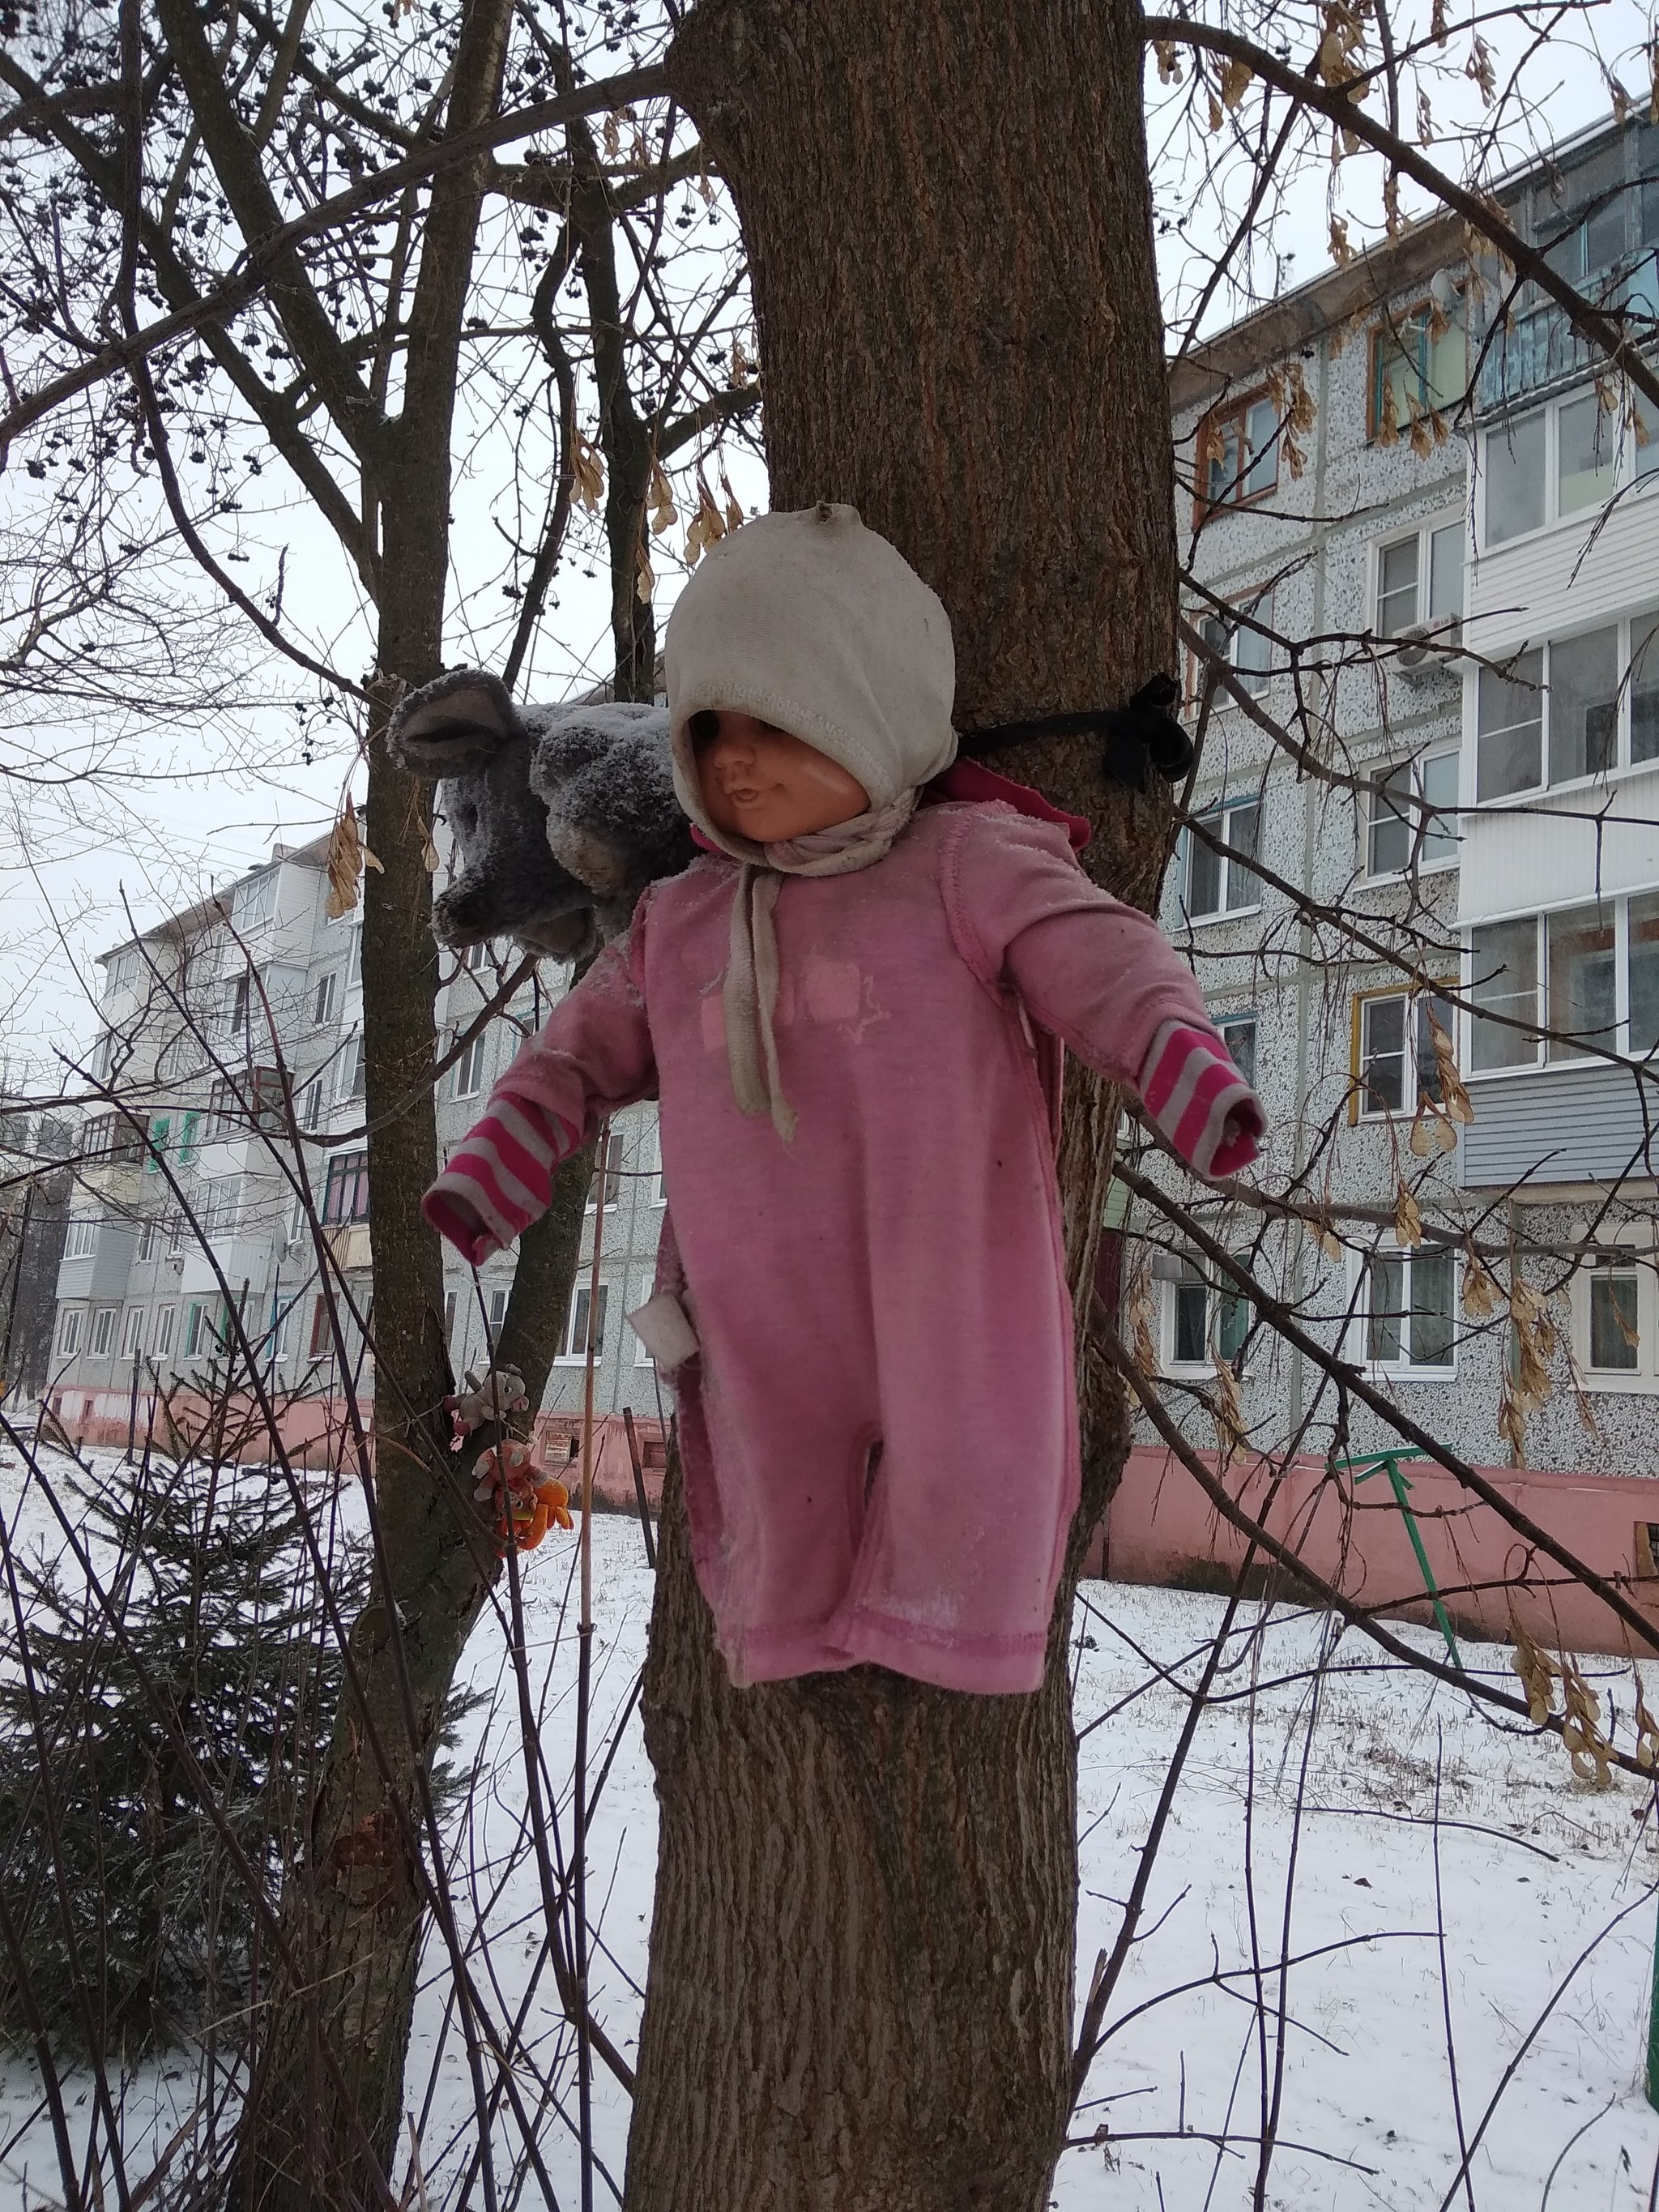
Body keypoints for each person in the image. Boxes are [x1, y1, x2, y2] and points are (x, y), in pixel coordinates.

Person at [424, 502, 1263, 1694]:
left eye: (777, 723)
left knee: (974, 1453)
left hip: (947, 1277)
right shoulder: (681, 918)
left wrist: (1185, 1069)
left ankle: (958, 1627)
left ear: (871, 717)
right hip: (759, 1298)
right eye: (708, 731)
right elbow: (576, 1053)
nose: (734, 760)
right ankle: (792, 1624)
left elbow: (1100, 954)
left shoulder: (967, 860)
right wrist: (497, 1161)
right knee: (770, 1484)